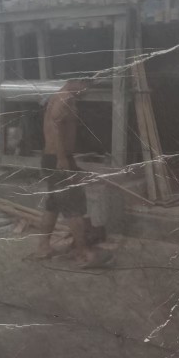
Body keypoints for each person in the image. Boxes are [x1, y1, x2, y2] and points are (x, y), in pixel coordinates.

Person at [38, 77, 112, 268]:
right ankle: (82, 253)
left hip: (53, 158)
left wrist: (68, 160)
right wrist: (62, 159)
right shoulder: (65, 98)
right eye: (86, 86)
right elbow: (56, 127)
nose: (86, 91)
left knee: (53, 204)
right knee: (74, 206)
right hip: (57, 159)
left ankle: (43, 247)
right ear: (75, 81)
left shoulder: (60, 97)